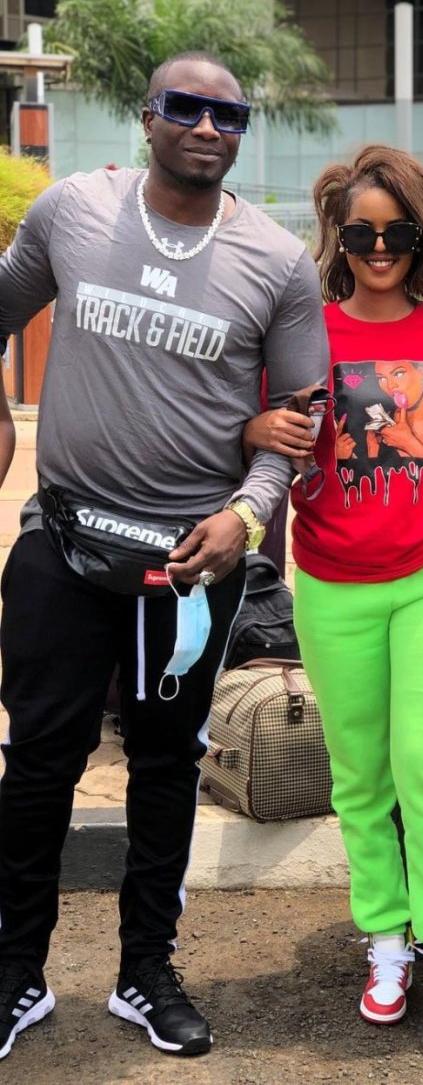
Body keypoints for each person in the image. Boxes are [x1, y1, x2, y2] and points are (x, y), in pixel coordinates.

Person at [0, 52, 328, 1061]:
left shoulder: (276, 261)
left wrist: (248, 519)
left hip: (187, 568)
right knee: (38, 763)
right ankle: (15, 974)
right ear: (147, 117)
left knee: (163, 765)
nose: (206, 126)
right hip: (63, 544)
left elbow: (302, 421)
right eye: (185, 107)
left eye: (228, 114)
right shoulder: (72, 212)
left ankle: (146, 970)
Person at [243, 145, 423, 1062]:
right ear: (338, 237)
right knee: (358, 777)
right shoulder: (303, 337)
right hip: (332, 583)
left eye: (397, 232)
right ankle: (385, 942)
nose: (381, 248)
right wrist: (256, 425)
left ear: (422, 237)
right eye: (362, 233)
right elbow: (264, 433)